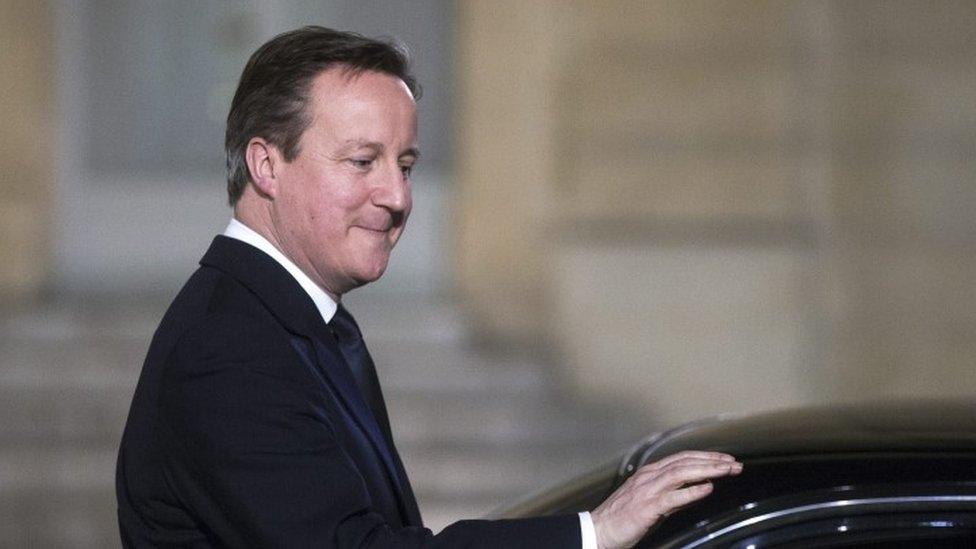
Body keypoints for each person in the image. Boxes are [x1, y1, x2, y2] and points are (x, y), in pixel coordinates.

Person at [116, 26, 741, 548]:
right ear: (266, 164)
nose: (397, 197)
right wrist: (593, 532)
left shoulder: (284, 318)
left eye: (406, 165)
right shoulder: (229, 350)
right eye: (363, 161)